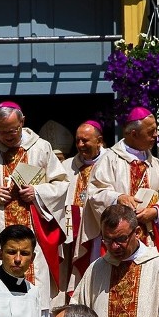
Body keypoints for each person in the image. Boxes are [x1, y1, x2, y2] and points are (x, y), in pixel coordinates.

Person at [0, 101, 68, 309]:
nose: (8, 136)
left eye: (13, 130)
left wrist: (37, 192)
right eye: (3, 131)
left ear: (23, 121)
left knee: (36, 289)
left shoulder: (41, 147)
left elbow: (61, 184)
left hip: (34, 229)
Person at [88, 107, 159, 255]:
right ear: (134, 134)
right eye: (151, 131)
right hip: (117, 239)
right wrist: (118, 198)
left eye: (155, 130)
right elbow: (95, 193)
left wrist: (154, 211)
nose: (156, 135)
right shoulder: (109, 159)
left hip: (147, 240)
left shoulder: (155, 164)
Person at [61, 120, 106, 298]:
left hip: (97, 234)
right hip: (71, 234)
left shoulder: (111, 163)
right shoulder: (67, 166)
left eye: (85, 141)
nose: (80, 145)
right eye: (78, 140)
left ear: (99, 141)